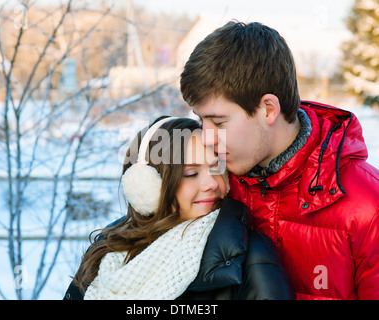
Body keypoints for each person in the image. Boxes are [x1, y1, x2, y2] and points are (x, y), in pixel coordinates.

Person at [180, 20, 379, 300]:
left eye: (218, 121)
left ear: (268, 109)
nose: (207, 137)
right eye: (202, 120)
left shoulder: (368, 206)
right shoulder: (212, 185)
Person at [63, 116, 295, 300]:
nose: (211, 183)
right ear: (149, 185)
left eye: (216, 168)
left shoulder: (251, 255)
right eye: (191, 174)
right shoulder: (107, 250)